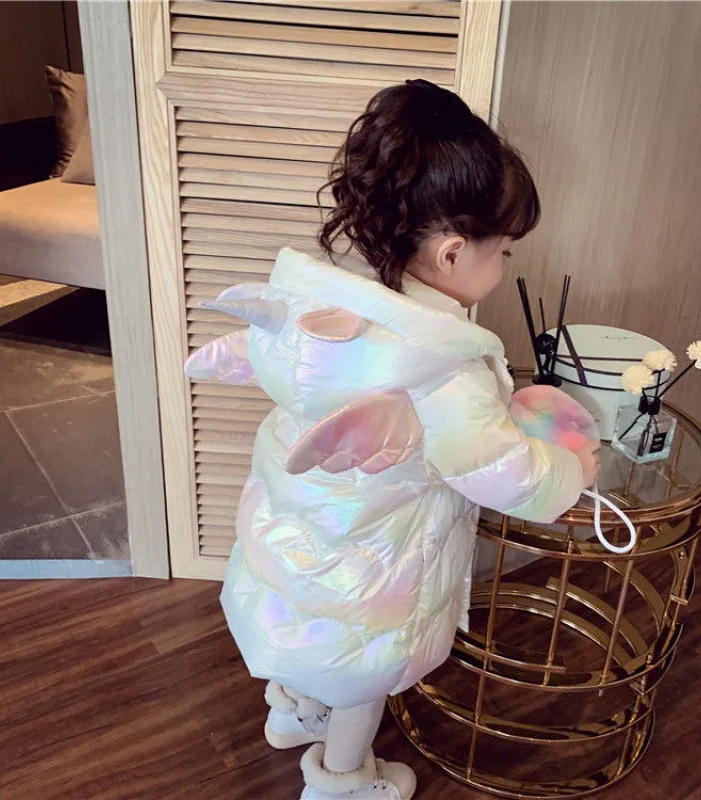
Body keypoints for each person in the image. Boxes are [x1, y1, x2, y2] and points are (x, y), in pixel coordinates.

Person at [185, 79, 600, 800]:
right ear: (452, 252)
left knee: (310, 630)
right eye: (504, 252)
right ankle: (343, 779)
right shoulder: (442, 368)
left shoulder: (330, 314)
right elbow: (507, 474)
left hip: (299, 544)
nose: (506, 266)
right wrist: (572, 467)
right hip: (371, 573)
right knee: (361, 670)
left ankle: (293, 711)